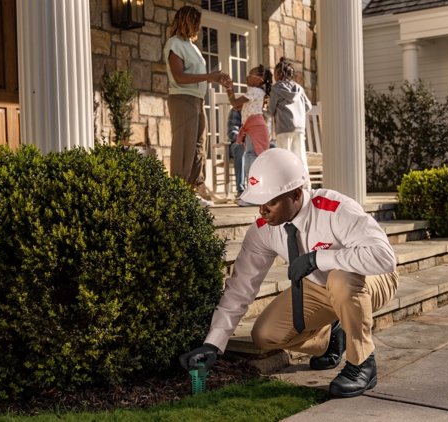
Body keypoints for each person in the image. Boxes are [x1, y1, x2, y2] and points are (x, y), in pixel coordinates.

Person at [179, 149, 399, 399]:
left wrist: (319, 258)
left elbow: (384, 258)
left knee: (341, 279)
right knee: (265, 335)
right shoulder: (263, 230)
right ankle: (330, 337)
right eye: (259, 202)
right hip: (320, 288)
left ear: (296, 194)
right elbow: (240, 287)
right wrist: (213, 343)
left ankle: (362, 365)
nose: (263, 210)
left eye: (270, 202)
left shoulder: (335, 209)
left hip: (370, 279)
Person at [164, 6, 228, 207]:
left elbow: (195, 75)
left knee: (199, 145)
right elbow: (179, 77)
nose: (200, 27)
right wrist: (210, 76)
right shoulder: (174, 44)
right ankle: (178, 193)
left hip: (197, 100)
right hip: (183, 99)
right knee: (185, 145)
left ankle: (192, 191)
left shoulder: (191, 46)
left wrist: (214, 77)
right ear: (188, 21)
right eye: (197, 22)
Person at [265, 57, 312, 188]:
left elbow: (271, 110)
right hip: (299, 128)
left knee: (285, 156)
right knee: (300, 156)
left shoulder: (275, 89)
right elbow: (308, 107)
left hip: (284, 128)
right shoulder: (299, 89)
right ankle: (306, 184)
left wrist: (262, 114)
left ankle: (286, 185)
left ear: (279, 73)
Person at [227, 108, 276, 200]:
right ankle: (241, 190)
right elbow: (231, 133)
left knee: (273, 147)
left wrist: (256, 137)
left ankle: (270, 187)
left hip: (259, 143)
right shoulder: (237, 110)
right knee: (241, 147)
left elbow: (267, 134)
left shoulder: (263, 112)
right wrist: (247, 137)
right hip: (238, 143)